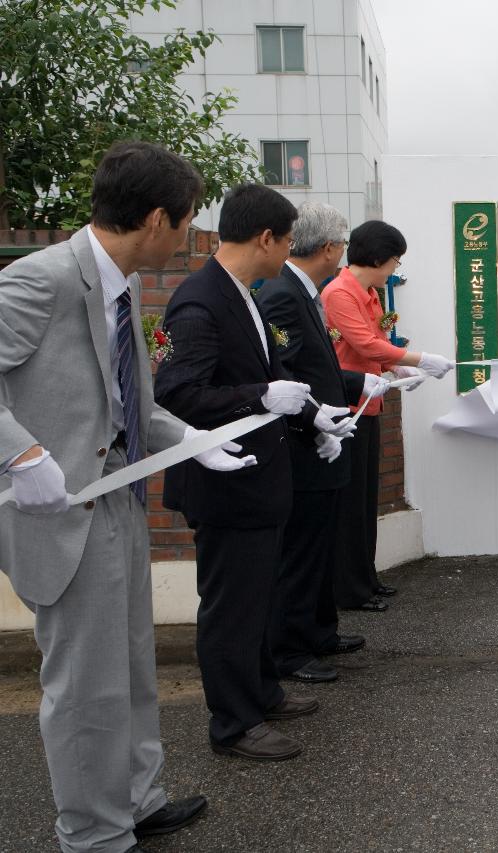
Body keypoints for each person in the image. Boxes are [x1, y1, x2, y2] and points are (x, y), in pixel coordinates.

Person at [0, 142, 252, 851]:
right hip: (62, 510)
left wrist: (193, 437)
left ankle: (138, 800)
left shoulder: (123, 284)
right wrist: (20, 453)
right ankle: (92, 832)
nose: (190, 235)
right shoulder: (43, 279)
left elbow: (130, 403)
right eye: (186, 222)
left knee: (133, 664)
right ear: (154, 219)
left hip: (119, 500)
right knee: (84, 687)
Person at [156, 183, 319, 761]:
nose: (289, 252)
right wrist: (259, 395)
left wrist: (312, 419)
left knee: (257, 598)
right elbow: (176, 391)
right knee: (231, 608)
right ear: (266, 238)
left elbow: (273, 376)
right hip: (226, 486)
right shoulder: (197, 301)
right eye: (288, 241)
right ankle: (233, 723)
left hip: (259, 481)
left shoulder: (244, 292)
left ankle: (261, 693)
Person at [257, 202, 399, 684]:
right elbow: (287, 373)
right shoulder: (282, 294)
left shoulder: (305, 291)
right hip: (306, 441)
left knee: (318, 545)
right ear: (329, 247)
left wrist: (360, 385)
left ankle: (318, 631)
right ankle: (290, 651)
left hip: (327, 431)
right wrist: (318, 414)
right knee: (300, 553)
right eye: (339, 243)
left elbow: (319, 365)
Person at [322, 220, 452, 612]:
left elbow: (377, 343)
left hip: (370, 403)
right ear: (378, 258)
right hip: (346, 409)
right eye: (395, 260)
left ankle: (366, 577)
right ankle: (349, 589)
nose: (396, 267)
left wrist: (398, 369)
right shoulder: (340, 293)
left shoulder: (370, 292)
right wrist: (420, 360)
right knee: (348, 504)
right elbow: (363, 343)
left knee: (365, 498)